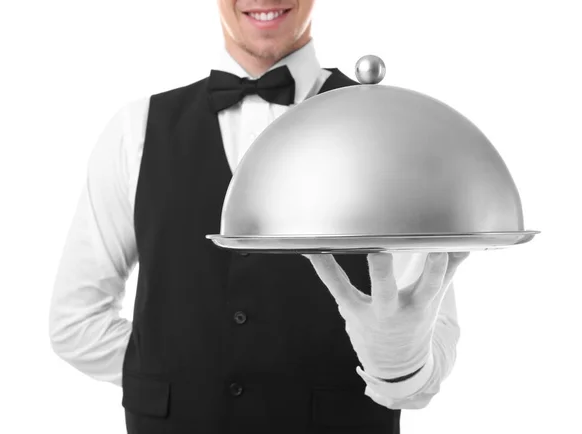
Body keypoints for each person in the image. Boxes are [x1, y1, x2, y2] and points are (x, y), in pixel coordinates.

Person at [49, 1, 469, 433]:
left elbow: (430, 349)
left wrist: (398, 367)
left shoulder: (387, 127)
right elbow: (74, 322)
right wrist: (166, 379)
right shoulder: (134, 130)